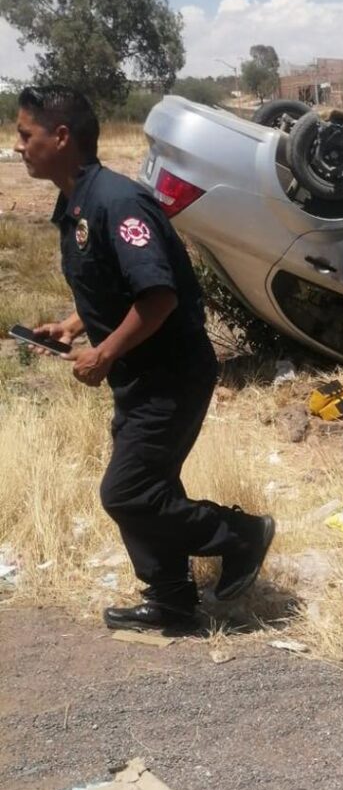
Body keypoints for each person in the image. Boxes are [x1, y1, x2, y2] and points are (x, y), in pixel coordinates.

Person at [15, 86, 274, 633]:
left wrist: (104, 352)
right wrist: (71, 326)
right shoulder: (79, 204)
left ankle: (241, 535)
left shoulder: (117, 201)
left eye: (25, 135)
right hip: (140, 375)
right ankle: (173, 601)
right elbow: (116, 286)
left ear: (61, 137)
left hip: (171, 374)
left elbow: (158, 296)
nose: (18, 146)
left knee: (127, 491)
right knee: (149, 486)